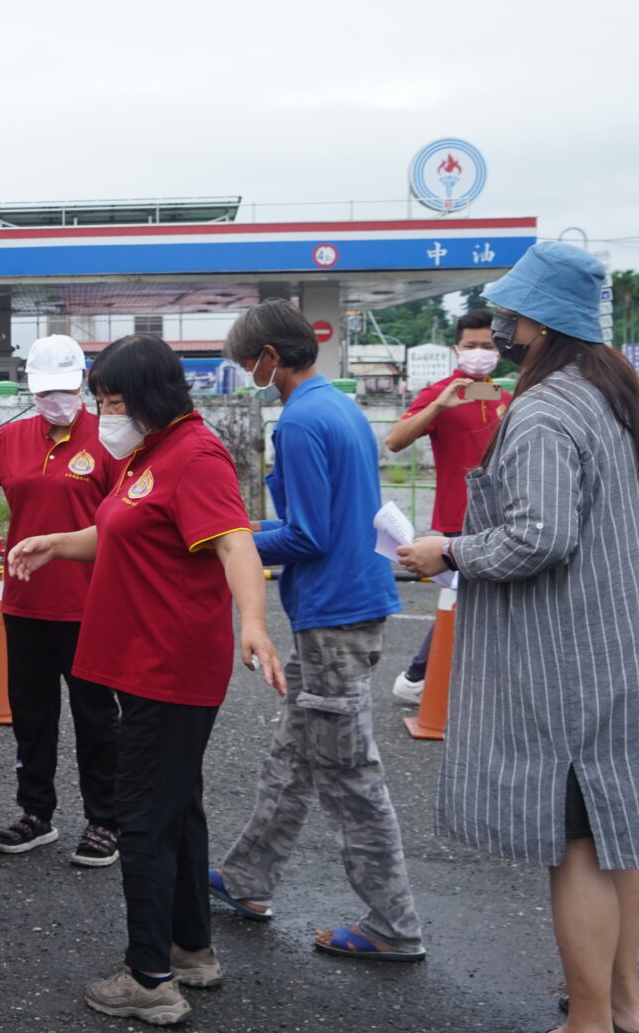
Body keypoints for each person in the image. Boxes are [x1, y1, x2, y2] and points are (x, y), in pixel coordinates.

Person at [398, 242, 639, 1033]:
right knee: (616, 839)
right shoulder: (616, 395)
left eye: (509, 314)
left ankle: (590, 1021)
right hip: (636, 650)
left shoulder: (544, 408)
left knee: (574, 846)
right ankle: (627, 1008)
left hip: (578, 661)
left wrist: (450, 550)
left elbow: (538, 537)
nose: (498, 328)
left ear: (538, 322)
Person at [7, 334, 284, 1028]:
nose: (104, 417)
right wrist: (57, 544)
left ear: (155, 397)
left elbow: (234, 540)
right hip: (143, 662)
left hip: (168, 665)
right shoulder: (149, 454)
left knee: (143, 819)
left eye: (114, 403)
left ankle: (150, 977)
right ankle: (191, 949)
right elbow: (123, 532)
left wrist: (253, 620)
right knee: (176, 807)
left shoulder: (194, 455)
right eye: (101, 403)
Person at [210, 299, 426, 961]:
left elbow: (306, 533)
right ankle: (246, 878)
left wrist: (229, 539)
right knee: (297, 752)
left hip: (331, 612)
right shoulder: (340, 406)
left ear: (271, 358)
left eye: (247, 362)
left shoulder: (300, 423)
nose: (247, 372)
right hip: (351, 601)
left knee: (346, 769)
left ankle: (393, 924)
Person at [0, 334, 120, 866]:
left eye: (64, 389)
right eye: (45, 392)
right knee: (31, 714)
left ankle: (104, 820)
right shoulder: (13, 438)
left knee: (95, 718)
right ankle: (36, 813)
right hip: (24, 604)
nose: (55, 400)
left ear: (83, 382)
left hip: (90, 606)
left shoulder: (110, 439)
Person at [383, 308, 510, 702]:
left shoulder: (508, 396)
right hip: (459, 518)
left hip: (506, 517)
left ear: (500, 350)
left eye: (487, 346)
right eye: (470, 346)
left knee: (483, 604)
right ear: (456, 349)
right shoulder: (440, 392)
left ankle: (442, 680)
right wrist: (438, 406)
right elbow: (394, 441)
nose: (478, 353)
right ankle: (417, 677)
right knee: (465, 600)